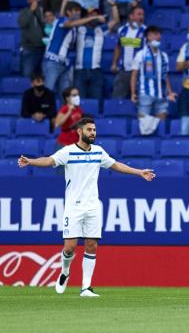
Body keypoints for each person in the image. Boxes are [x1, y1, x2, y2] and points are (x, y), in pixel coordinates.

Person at [17, 117, 155, 297]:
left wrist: (139, 172)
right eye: (89, 130)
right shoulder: (68, 152)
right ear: (79, 131)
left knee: (92, 245)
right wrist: (31, 161)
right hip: (73, 207)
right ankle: (65, 271)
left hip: (93, 206)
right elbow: (49, 161)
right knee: (69, 248)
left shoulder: (98, 152)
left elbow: (115, 165)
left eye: (94, 130)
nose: (93, 133)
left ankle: (86, 287)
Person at [43, 0, 102, 94]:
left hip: (64, 64)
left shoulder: (74, 28)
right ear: (69, 12)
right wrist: (93, 18)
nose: (78, 13)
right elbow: (69, 23)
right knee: (48, 91)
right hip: (53, 63)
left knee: (66, 94)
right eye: (76, 11)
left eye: (79, 11)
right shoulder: (62, 21)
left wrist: (64, 2)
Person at [130, 26, 175, 136]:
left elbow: (166, 76)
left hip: (161, 95)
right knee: (144, 127)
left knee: (161, 127)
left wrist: (170, 92)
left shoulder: (164, 56)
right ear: (148, 37)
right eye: (155, 34)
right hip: (145, 94)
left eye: (159, 34)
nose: (158, 36)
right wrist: (133, 93)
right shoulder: (141, 54)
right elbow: (134, 75)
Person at [74, 3, 119, 100]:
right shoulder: (79, 28)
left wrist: (114, 5)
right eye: (91, 15)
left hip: (96, 71)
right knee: (79, 101)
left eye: (96, 15)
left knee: (96, 100)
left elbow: (115, 20)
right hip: (79, 70)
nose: (94, 17)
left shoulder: (101, 30)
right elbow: (73, 22)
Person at [111, 5, 146, 99]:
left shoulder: (145, 31)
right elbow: (118, 47)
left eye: (142, 14)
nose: (141, 17)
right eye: (139, 14)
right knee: (118, 98)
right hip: (123, 70)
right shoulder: (122, 30)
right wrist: (114, 63)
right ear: (131, 16)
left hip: (139, 71)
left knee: (139, 99)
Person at [18, 0, 46, 78]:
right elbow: (22, 23)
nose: (35, 1)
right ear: (28, 0)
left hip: (44, 49)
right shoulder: (24, 12)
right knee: (27, 77)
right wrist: (31, 11)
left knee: (43, 78)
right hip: (29, 50)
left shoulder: (44, 12)